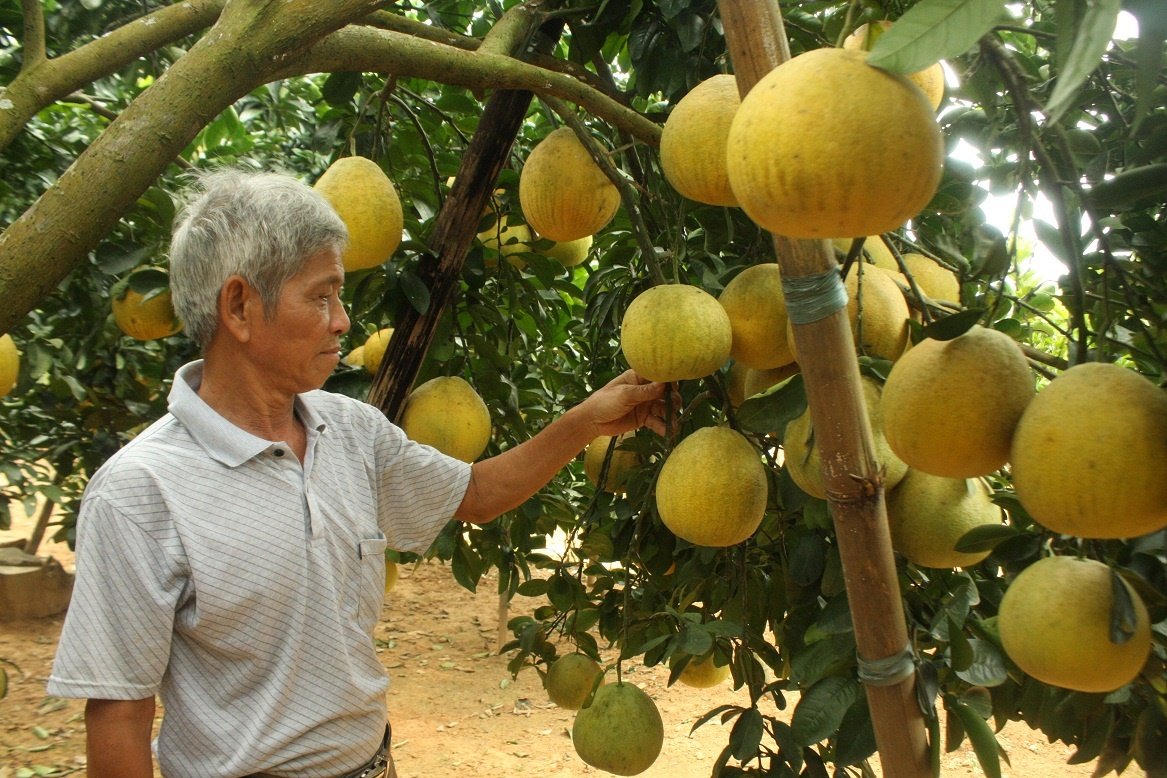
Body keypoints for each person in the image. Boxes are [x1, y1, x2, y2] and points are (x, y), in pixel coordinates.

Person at [46, 168, 670, 778]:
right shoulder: (139, 493)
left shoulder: (349, 430)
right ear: (239, 305)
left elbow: (476, 493)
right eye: (321, 296)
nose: (343, 320)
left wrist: (590, 419)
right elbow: (119, 714)